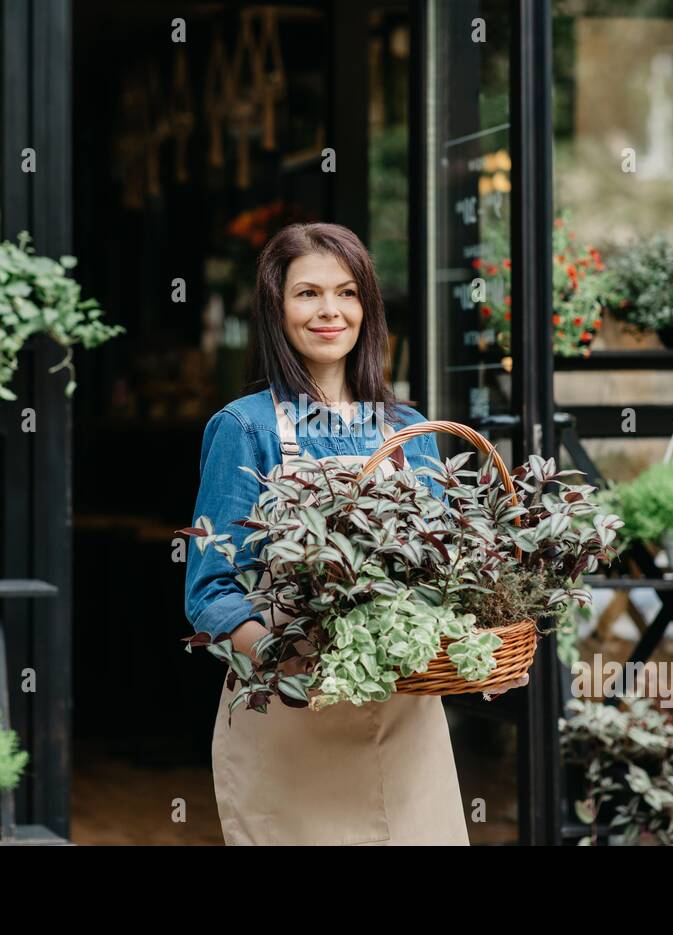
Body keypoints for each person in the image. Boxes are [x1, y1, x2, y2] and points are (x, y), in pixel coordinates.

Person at [184, 222, 521, 846]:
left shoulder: (407, 428)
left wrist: (480, 647)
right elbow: (210, 591)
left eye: (347, 292)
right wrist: (290, 665)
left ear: (367, 306)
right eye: (307, 294)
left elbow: (447, 576)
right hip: (292, 725)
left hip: (405, 725)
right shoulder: (245, 428)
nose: (329, 311)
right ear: (275, 308)